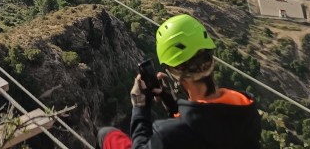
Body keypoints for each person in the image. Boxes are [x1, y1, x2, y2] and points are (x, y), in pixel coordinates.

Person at [97, 14, 262, 149]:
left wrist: (140, 107)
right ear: (211, 58)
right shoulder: (246, 106)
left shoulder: (167, 135)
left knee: (106, 135)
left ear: (174, 73)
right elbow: (208, 124)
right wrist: (172, 105)